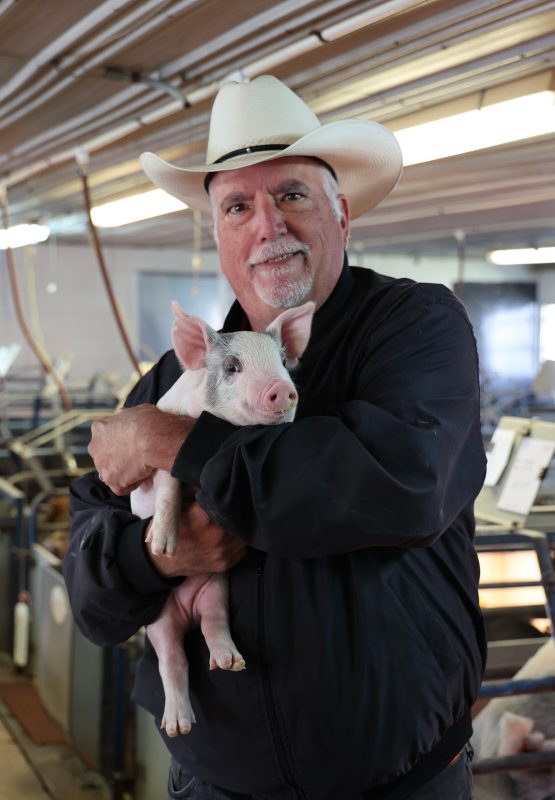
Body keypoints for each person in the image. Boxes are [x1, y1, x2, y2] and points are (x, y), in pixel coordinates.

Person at [64, 75, 487, 800]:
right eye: (237, 206)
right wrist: (153, 555)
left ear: (341, 213)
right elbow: (93, 596)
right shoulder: (174, 372)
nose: (268, 226)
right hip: (213, 781)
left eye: (291, 195)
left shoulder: (411, 327)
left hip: (399, 782)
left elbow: (398, 487)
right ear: (219, 233)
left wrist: (176, 443)